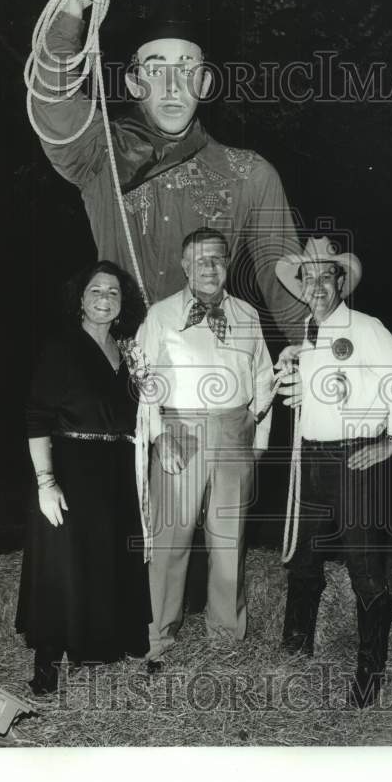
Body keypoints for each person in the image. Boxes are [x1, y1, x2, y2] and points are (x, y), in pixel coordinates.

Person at [25, 0, 308, 342]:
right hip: (120, 372)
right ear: (133, 83)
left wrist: (314, 357)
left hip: (210, 372)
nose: (173, 86)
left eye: (187, 69)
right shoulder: (101, 154)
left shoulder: (250, 175)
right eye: (156, 71)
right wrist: (69, 15)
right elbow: (53, 107)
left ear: (205, 82)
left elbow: (285, 280)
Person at [274, 235, 392, 708]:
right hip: (314, 458)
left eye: (327, 275)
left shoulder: (366, 327)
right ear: (300, 285)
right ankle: (296, 649)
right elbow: (323, 393)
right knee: (303, 559)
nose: (317, 284)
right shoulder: (307, 332)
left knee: (363, 566)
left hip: (356, 458)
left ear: (341, 282)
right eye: (309, 276)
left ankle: (370, 671)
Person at [136, 227, 274, 663]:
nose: (209, 268)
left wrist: (257, 439)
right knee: (170, 540)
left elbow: (264, 377)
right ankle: (158, 635)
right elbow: (144, 384)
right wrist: (159, 436)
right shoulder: (160, 315)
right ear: (184, 265)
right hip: (180, 432)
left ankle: (226, 636)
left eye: (217, 259)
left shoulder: (249, 315)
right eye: (199, 260)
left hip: (235, 432)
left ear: (228, 263)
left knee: (229, 539)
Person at [15, 261, 151, 694]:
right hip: (71, 467)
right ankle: (47, 665)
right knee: (63, 563)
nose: (105, 299)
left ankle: (104, 645)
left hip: (115, 469)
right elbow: (37, 418)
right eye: (96, 291)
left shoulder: (126, 351)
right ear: (80, 298)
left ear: (122, 303)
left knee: (107, 558)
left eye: (113, 292)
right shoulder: (61, 347)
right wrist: (46, 482)